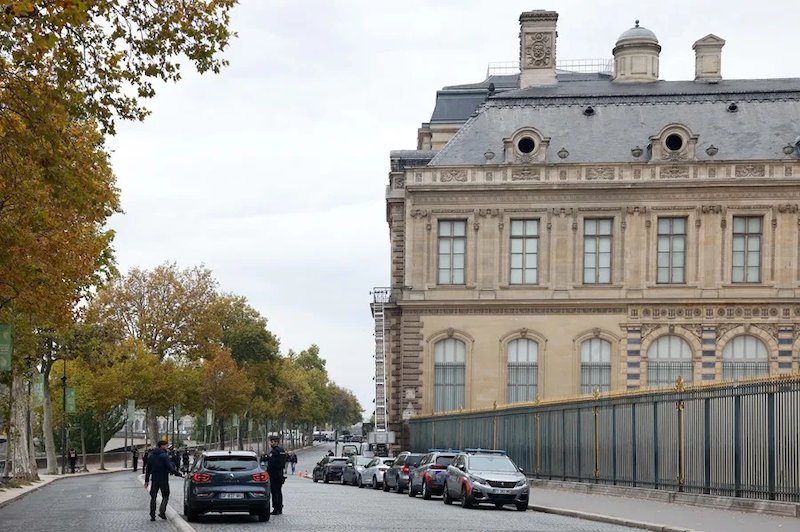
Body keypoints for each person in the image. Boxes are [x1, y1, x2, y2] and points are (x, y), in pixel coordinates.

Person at [144, 440, 183, 522]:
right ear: (162, 446)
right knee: (165, 495)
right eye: (166, 445)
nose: (167, 447)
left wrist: (146, 481)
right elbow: (170, 468)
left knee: (153, 498)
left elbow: (148, 469)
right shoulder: (164, 456)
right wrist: (179, 474)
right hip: (163, 479)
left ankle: (152, 515)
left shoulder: (151, 456)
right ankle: (162, 511)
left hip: (154, 479)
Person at [266, 436, 287, 515]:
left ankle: (276, 508)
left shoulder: (274, 452)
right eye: (271, 442)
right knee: (279, 491)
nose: (271, 443)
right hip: (280, 473)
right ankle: (280, 507)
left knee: (274, 492)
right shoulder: (282, 451)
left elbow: (271, 464)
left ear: (276, 442)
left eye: (272, 442)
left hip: (274, 474)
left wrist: (267, 472)